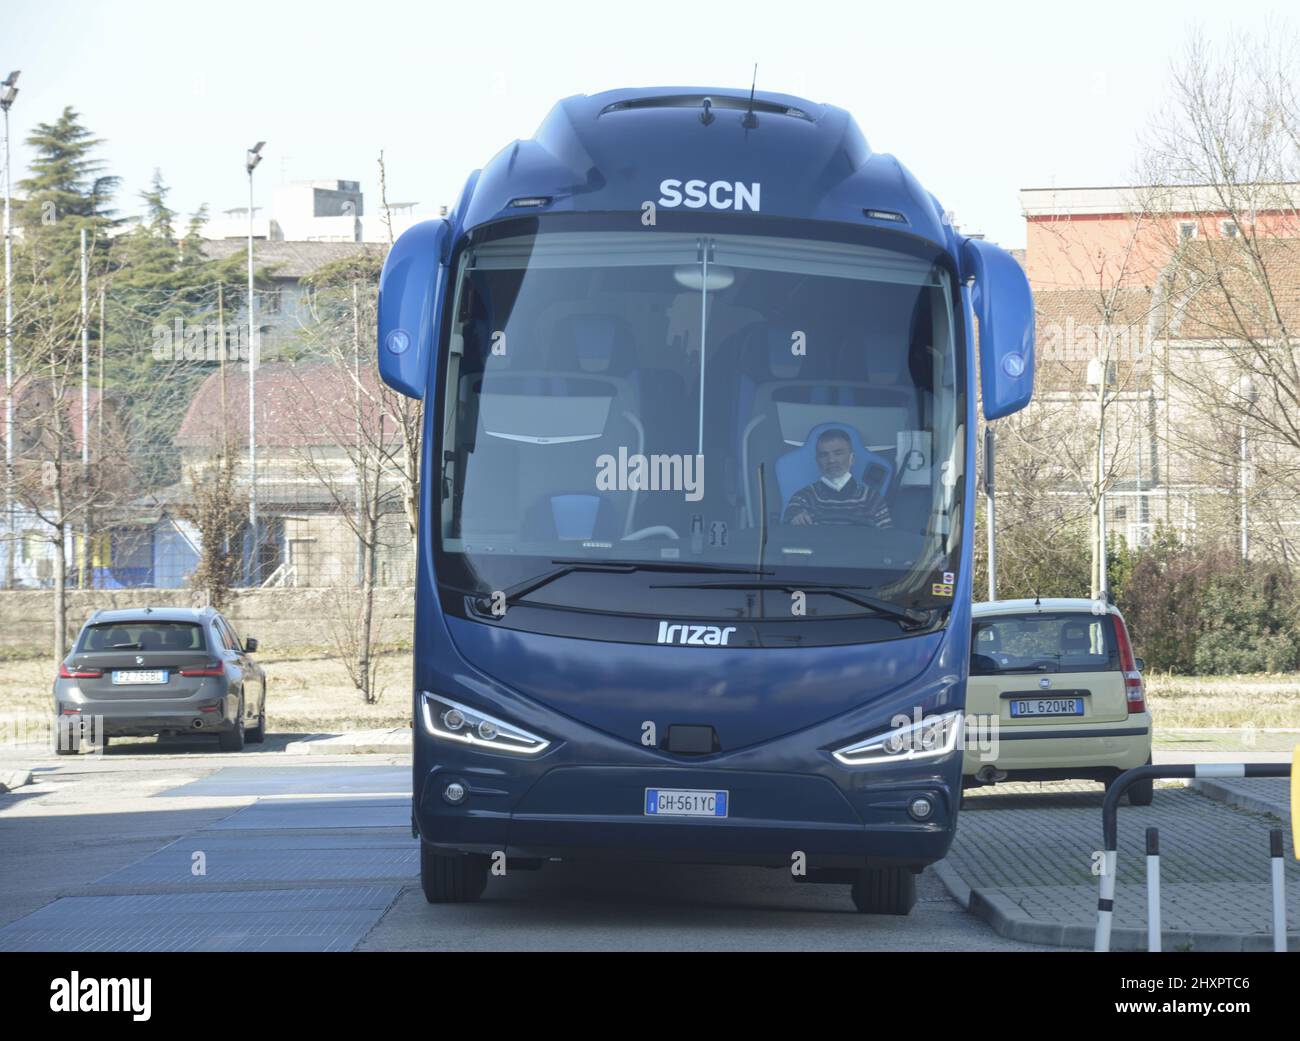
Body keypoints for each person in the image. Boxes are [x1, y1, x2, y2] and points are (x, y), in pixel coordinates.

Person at [782, 427, 891, 527]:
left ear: (852, 458)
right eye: (824, 455)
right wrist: (796, 520)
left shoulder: (873, 499)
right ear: (817, 461)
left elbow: (887, 538)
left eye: (838, 453)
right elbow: (787, 534)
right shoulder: (803, 498)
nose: (831, 460)